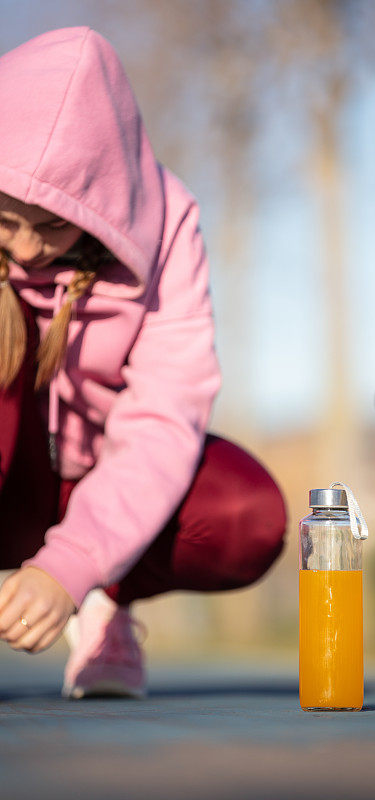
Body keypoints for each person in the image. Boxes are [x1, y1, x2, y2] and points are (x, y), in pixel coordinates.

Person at [0, 27, 287, 699]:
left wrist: (70, 566)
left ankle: (107, 598)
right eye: (7, 220)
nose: (29, 252)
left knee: (249, 515)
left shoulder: (169, 223)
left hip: (97, 485)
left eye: (58, 226)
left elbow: (164, 413)